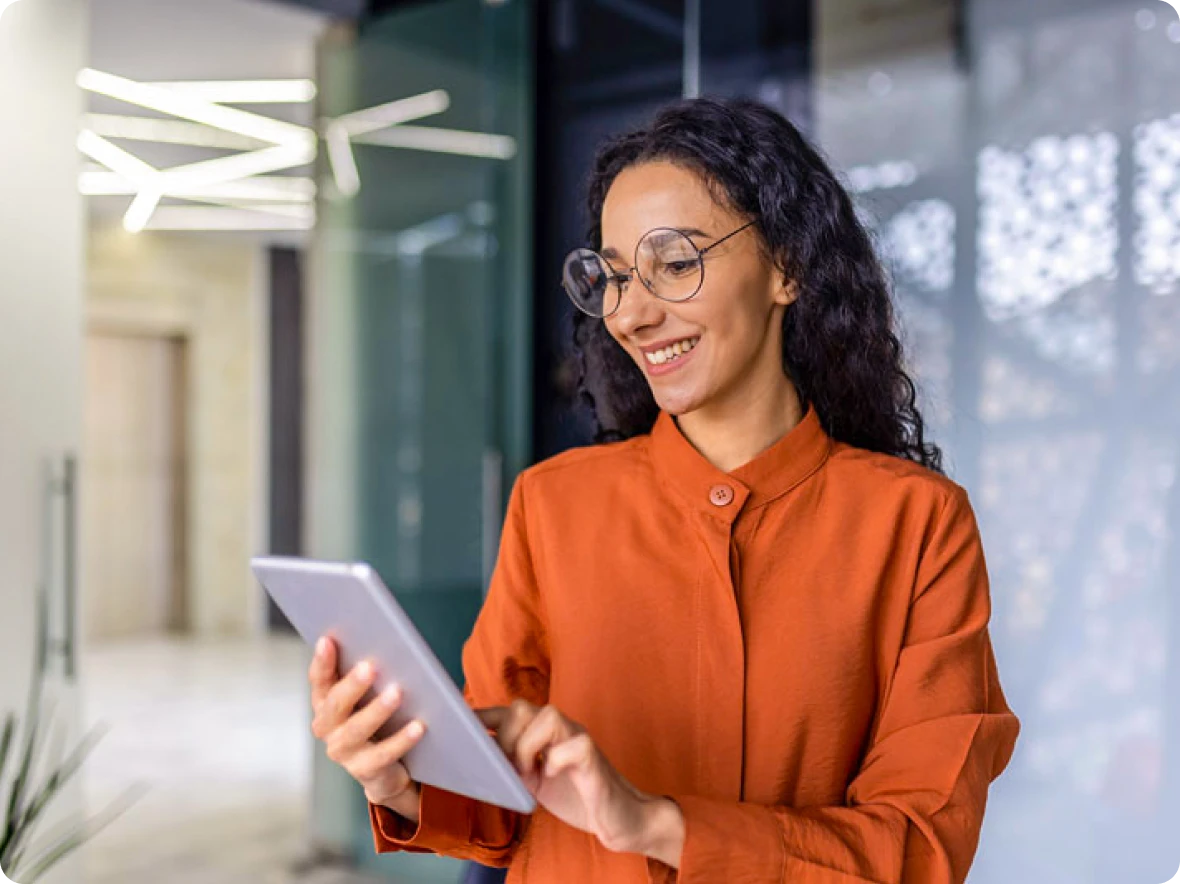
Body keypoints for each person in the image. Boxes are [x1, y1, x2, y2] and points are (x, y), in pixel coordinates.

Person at [307, 96, 1020, 884]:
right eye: (611, 278)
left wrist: (658, 825)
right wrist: (400, 780)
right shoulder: (552, 506)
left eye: (675, 263)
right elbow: (500, 802)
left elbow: (921, 847)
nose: (633, 313)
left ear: (787, 265)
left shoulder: (917, 525)